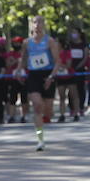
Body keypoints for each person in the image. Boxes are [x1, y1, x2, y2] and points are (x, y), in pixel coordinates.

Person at [23, 15, 59, 150]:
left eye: (40, 22)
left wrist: (51, 77)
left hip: (47, 74)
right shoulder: (27, 43)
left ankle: (46, 119)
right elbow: (23, 59)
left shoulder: (50, 41)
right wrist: (19, 70)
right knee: (37, 106)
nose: (37, 25)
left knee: (47, 110)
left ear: (44, 24)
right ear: (32, 25)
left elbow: (57, 62)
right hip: (33, 75)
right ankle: (40, 139)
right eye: (35, 22)